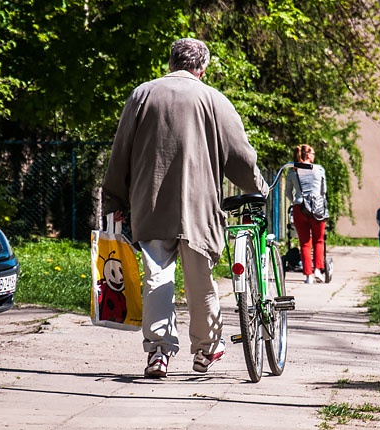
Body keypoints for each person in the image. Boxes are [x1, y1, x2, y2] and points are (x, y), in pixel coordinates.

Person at [103, 38, 269, 379]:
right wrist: (259, 189)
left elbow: (121, 151)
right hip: (199, 206)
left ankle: (158, 354)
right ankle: (206, 349)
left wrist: (115, 199)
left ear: (170, 63)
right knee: (200, 280)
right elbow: (240, 157)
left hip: (150, 202)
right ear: (202, 69)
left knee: (157, 277)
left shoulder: (142, 95)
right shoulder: (214, 100)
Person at [286, 144, 328, 284]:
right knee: (318, 240)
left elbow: (288, 193)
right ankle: (318, 270)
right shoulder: (319, 169)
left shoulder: (292, 171)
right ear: (308, 155)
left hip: (300, 208)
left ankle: (308, 275)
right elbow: (323, 191)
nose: (314, 156)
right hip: (317, 208)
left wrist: (297, 201)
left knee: (304, 243)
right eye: (313, 153)